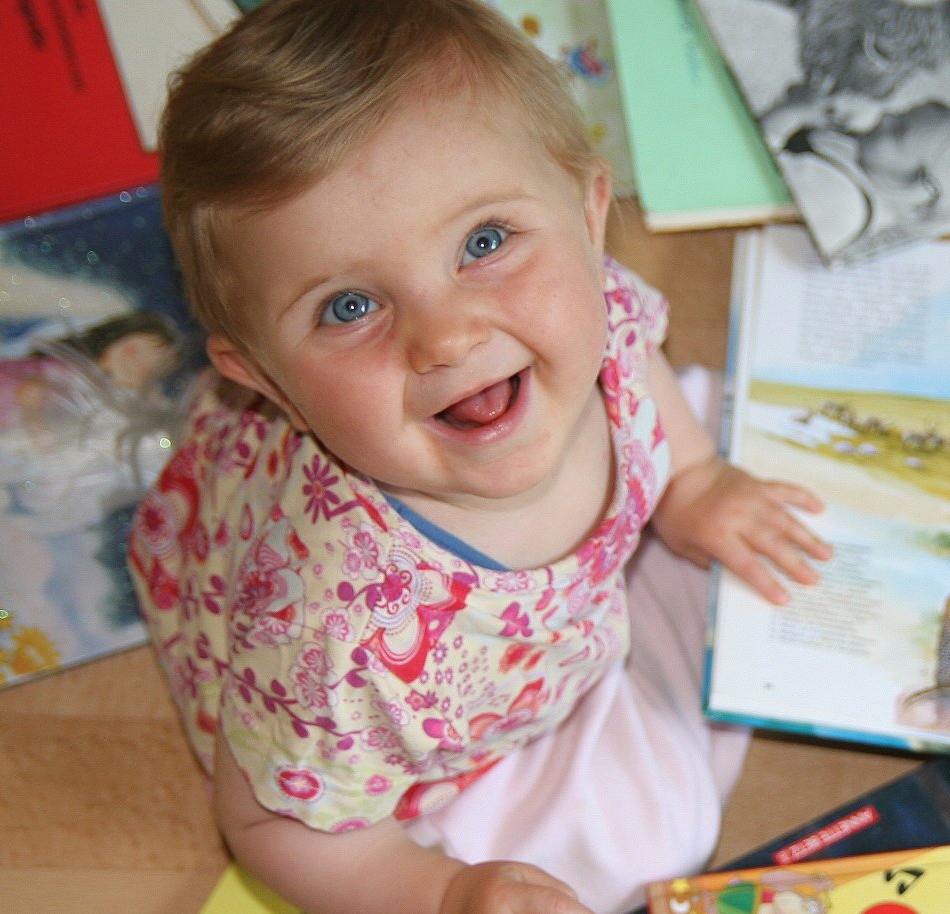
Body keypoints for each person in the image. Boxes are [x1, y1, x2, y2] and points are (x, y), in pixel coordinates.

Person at [125, 2, 833, 913]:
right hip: (439, 717)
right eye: (349, 306)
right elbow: (268, 830)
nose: (448, 336)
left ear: (588, 212)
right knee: (651, 843)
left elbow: (635, 361)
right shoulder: (330, 643)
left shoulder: (589, 313)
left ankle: (656, 544)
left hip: (556, 619)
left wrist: (694, 481)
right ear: (263, 374)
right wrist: (443, 892)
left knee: (719, 424)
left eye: (484, 243)